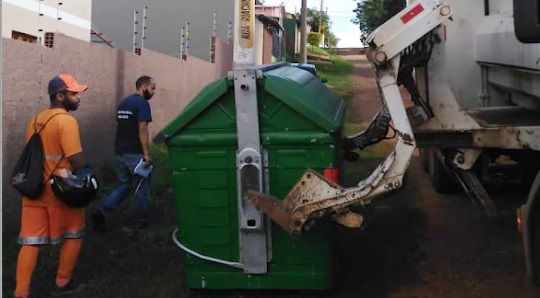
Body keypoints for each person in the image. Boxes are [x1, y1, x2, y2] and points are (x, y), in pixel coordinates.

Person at [14, 74, 89, 298]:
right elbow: (76, 159)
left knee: (30, 242)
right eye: (74, 94)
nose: (78, 98)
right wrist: (87, 176)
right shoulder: (66, 121)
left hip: (34, 190)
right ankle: (63, 283)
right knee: (74, 234)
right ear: (59, 95)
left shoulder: (35, 119)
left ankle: (21, 292)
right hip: (61, 191)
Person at [91, 76, 156, 233]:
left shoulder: (124, 103)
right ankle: (139, 221)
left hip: (120, 152)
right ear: (144, 87)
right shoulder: (142, 104)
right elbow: (142, 128)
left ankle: (102, 211)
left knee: (124, 185)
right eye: (152, 88)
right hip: (135, 154)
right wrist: (146, 153)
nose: (154, 92)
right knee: (142, 187)